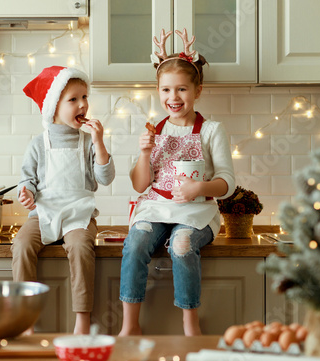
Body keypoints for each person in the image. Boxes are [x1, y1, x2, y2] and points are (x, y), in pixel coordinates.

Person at [118, 29, 235, 336]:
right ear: (158, 91)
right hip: (155, 208)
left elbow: (227, 181)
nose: (173, 98)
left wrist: (201, 188)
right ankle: (130, 326)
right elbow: (139, 185)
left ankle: (190, 327)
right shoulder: (153, 129)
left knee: (182, 245)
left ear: (198, 89)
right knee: (136, 242)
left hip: (196, 213)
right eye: (166, 90)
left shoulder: (211, 131)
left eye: (181, 89)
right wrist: (144, 153)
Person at [11, 66, 115, 335]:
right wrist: (26, 193)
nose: (83, 104)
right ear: (53, 107)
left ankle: (82, 318)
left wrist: (99, 141)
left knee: (80, 247)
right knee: (22, 244)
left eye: (84, 97)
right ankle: (25, 319)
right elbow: (27, 181)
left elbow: (106, 177)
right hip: (43, 214)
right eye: (73, 99)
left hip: (79, 215)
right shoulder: (37, 144)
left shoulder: (88, 141)